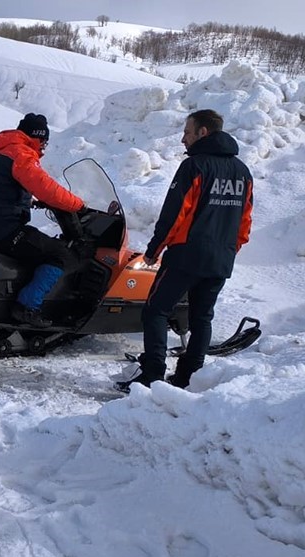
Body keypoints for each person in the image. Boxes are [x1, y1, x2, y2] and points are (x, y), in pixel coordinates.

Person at [132, 109, 253, 389]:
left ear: (203, 132)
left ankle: (152, 375)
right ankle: (190, 377)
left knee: (155, 311)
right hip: (220, 259)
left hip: (186, 256)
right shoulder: (242, 171)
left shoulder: (195, 166)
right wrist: (229, 250)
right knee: (202, 317)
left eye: (187, 132)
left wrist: (154, 250)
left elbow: (175, 213)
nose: (182, 139)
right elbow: (245, 221)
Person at [0, 113, 87, 328]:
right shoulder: (20, 153)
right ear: (38, 138)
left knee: (37, 246)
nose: (44, 148)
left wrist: (26, 202)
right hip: (2, 230)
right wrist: (79, 206)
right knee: (60, 254)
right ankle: (26, 307)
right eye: (45, 143)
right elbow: (46, 188)